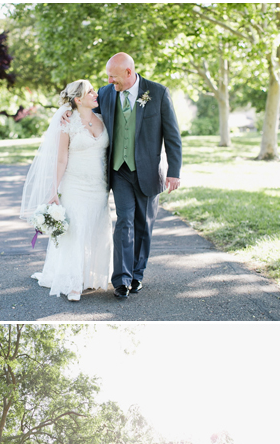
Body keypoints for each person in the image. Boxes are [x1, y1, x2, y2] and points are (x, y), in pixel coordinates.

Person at [95, 52, 182, 300]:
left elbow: (172, 136)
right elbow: (89, 115)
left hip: (147, 170)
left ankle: (136, 275)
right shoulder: (105, 93)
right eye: (108, 76)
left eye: (114, 76)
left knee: (143, 225)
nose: (110, 81)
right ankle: (121, 279)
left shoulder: (157, 93)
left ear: (129, 73)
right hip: (118, 170)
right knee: (124, 220)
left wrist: (174, 172)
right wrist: (70, 113)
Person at [21, 79, 113, 301]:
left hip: (99, 187)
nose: (95, 93)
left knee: (96, 228)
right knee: (76, 231)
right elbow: (61, 160)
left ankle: (92, 275)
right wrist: (54, 190)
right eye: (90, 91)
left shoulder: (103, 118)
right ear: (78, 99)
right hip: (74, 185)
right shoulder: (67, 123)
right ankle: (73, 284)